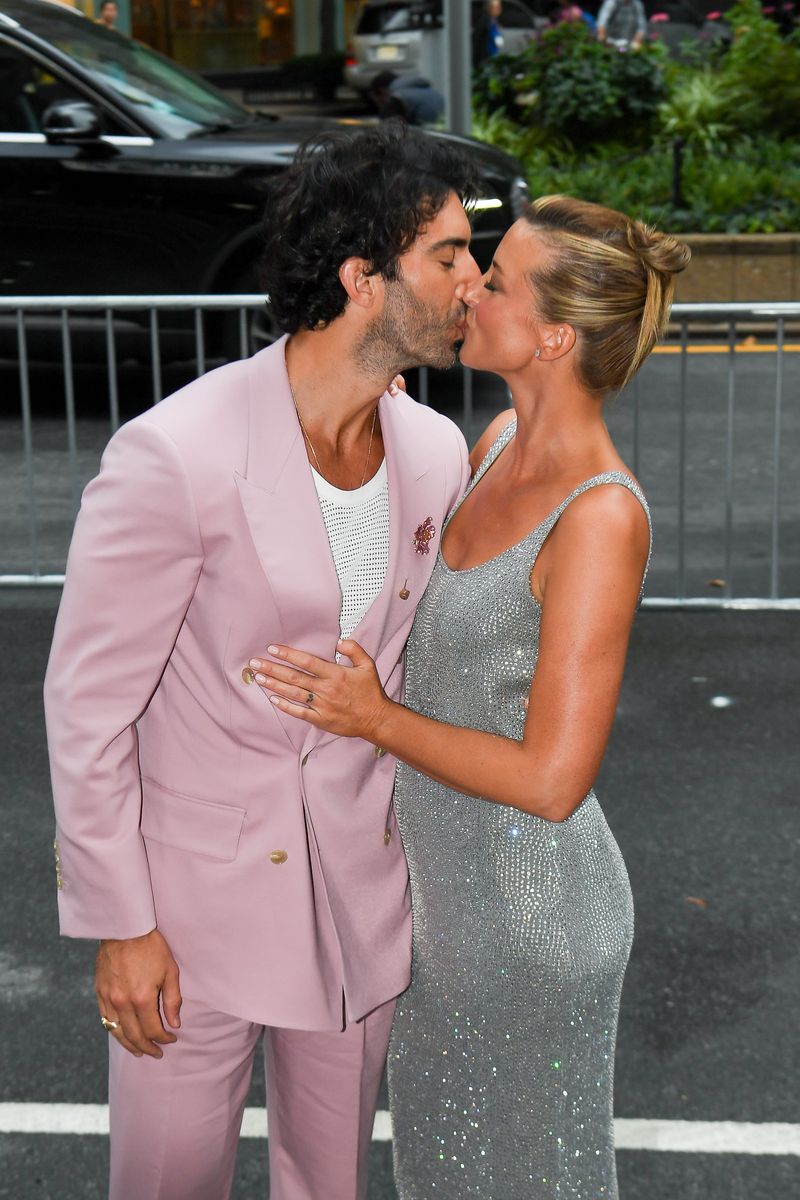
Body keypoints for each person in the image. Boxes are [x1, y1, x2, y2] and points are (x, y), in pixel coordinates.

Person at [43, 123, 481, 1200]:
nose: (476, 279)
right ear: (361, 277)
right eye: (449, 255)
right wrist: (120, 925)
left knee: (327, 1184)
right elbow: (87, 709)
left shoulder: (434, 452)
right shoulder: (176, 453)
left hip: (359, 899)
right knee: (166, 1184)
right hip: (188, 919)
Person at [247, 196, 690, 1198]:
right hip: (445, 915)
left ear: (551, 337)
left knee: (527, 1180)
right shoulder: (488, 443)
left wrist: (372, 720)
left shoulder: (600, 515)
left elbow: (549, 780)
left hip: (531, 924)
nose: (467, 289)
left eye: (494, 281)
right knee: (444, 1176)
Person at [368, 70, 445, 126]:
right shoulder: (427, 90)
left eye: (378, 99)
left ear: (382, 91)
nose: (380, 103)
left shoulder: (398, 97)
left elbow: (387, 125)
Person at [472, 0, 505, 65]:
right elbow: (477, 41)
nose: (497, 9)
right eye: (494, 7)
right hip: (485, 57)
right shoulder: (485, 21)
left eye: (498, 7)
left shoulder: (494, 21)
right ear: (488, 8)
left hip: (492, 55)